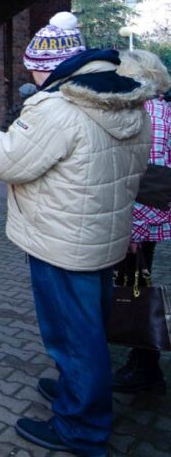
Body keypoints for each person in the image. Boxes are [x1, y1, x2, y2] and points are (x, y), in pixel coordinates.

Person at [0, 12, 151, 456]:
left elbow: (7, 162)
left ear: (50, 65)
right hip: (103, 236)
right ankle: (79, 395)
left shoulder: (57, 107)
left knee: (73, 336)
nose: (32, 78)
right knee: (89, 329)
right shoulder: (130, 100)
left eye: (34, 68)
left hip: (61, 242)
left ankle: (81, 427)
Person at [110, 50, 171, 395]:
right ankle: (142, 361)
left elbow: (154, 179)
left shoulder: (151, 113)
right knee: (135, 285)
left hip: (140, 222)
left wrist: (134, 229)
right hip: (141, 220)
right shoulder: (157, 109)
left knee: (137, 290)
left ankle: (146, 367)